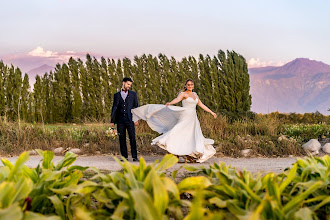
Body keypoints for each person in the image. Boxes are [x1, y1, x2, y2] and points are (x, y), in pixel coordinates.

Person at [131, 79, 217, 163]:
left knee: (190, 135)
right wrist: (171, 103)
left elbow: (201, 105)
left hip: (193, 118)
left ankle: (189, 154)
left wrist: (211, 112)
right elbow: (177, 99)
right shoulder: (183, 94)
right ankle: (173, 149)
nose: (190, 86)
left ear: (193, 85)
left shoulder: (195, 94)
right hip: (185, 115)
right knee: (179, 132)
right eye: (188, 85)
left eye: (191, 85)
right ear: (186, 86)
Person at [110, 77, 139, 162]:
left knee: (132, 138)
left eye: (130, 85)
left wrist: (136, 119)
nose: (129, 86)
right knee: (121, 138)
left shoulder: (133, 94)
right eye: (128, 84)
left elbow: (136, 107)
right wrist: (112, 121)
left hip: (130, 119)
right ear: (123, 83)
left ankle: (135, 157)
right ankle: (124, 157)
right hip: (120, 120)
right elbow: (114, 108)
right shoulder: (116, 95)